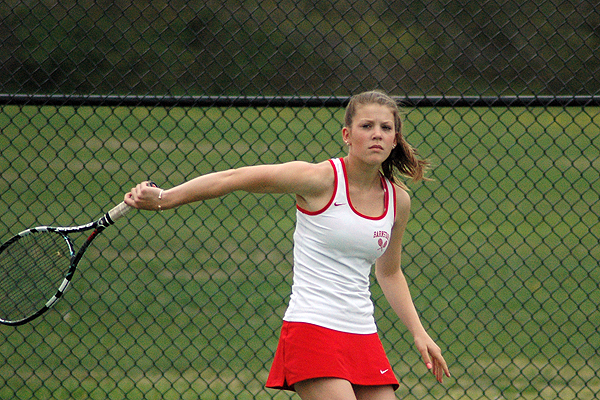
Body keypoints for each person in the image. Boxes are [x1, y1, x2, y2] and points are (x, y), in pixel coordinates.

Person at [124, 90, 450, 399]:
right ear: (347, 135)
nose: (377, 133)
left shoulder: (398, 200)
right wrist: (165, 198)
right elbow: (233, 178)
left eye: (385, 127)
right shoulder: (318, 179)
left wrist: (419, 333)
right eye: (366, 126)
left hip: (363, 333)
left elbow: (390, 273)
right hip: (312, 329)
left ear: (395, 139)